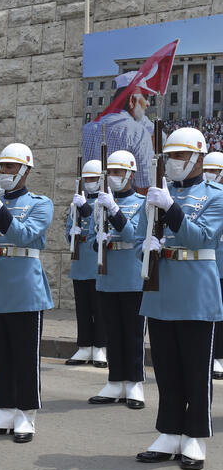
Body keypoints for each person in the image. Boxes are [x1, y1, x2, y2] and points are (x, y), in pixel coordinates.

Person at [134, 127, 223, 470]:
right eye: (169, 156)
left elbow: (202, 238)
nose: (173, 163)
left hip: (195, 290)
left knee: (196, 369)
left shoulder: (215, 195)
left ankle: (195, 437)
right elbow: (148, 234)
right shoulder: (159, 193)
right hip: (161, 287)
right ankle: (170, 432)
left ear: (199, 158)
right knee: (167, 368)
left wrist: (170, 208)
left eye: (180, 156)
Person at [0, 142, 53, 443]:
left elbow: (25, 235)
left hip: (24, 288)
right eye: (1, 167)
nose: (4, 172)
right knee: (2, 355)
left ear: (25, 170)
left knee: (24, 355)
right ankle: (5, 408)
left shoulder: (39, 203)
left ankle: (26, 413)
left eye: (10, 167)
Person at [90, 150, 146, 408]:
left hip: (133, 275)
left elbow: (134, 235)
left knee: (133, 334)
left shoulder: (143, 203)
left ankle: (134, 383)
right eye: (110, 172)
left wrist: (114, 211)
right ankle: (114, 381)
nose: (113, 177)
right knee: (113, 332)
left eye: (118, 172)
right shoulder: (99, 204)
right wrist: (97, 241)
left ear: (131, 174)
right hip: (108, 276)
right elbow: (92, 239)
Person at [66, 160, 107, 367]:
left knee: (99, 309)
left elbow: (101, 225)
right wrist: (72, 233)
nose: (89, 182)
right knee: (82, 309)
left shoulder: (106, 202)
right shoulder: (76, 202)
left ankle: (100, 347)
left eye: (93, 179)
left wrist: (86, 210)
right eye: (87, 179)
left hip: (98, 263)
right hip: (80, 263)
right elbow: (67, 231)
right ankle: (83, 346)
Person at [205, 153, 223, 381]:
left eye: (215, 170)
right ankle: (215, 356)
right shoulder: (205, 197)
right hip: (209, 265)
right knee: (213, 315)